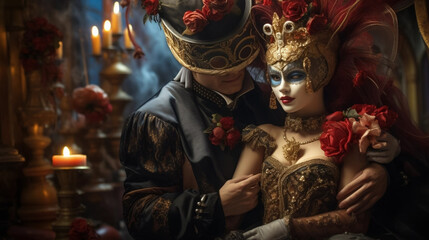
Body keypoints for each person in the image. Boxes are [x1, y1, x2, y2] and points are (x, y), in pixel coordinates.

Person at [119, 0, 396, 239]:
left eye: (239, 60)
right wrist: (213, 207)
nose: (232, 71)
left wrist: (381, 173)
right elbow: (137, 215)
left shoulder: (275, 100)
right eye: (216, 65)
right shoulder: (157, 119)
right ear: (189, 57)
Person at [230, 0, 429, 239]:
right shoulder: (262, 136)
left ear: (322, 72)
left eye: (295, 75)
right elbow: (233, 213)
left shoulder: (347, 136)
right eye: (274, 77)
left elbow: (354, 221)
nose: (282, 88)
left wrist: (288, 228)